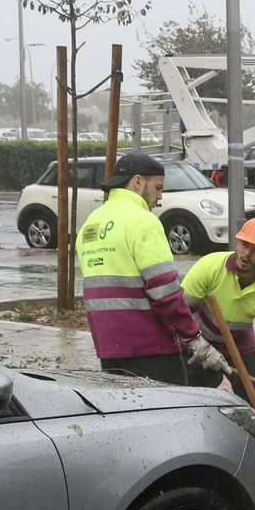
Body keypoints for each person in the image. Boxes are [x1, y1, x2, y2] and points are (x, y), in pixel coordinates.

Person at [76, 151, 230, 385]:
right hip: (150, 347)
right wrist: (193, 336)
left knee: (128, 415)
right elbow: (165, 292)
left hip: (108, 346)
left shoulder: (91, 223)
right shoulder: (143, 221)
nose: (159, 197)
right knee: (172, 414)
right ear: (138, 182)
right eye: (158, 188)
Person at [180, 214, 255, 415]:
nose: (247, 253)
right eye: (244, 244)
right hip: (197, 337)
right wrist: (198, 343)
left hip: (238, 340)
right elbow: (179, 313)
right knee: (189, 393)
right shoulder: (209, 266)